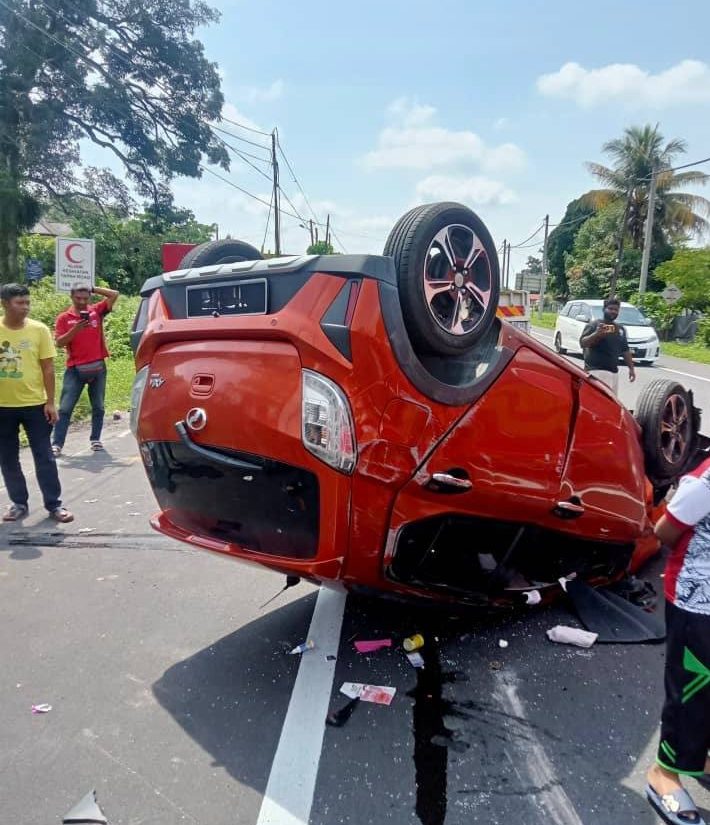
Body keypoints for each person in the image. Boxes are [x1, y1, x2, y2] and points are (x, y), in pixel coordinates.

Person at [645, 459, 710, 825]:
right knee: (691, 690)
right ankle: (664, 775)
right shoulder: (705, 482)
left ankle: (699, 756)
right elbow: (664, 531)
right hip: (695, 601)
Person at [0, 283, 73, 523]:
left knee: (44, 456)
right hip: (3, 407)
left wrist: (51, 402)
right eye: (19, 303)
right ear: (5, 304)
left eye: (27, 302)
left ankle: (54, 505)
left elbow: (48, 368)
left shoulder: (39, 330)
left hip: (35, 404)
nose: (25, 307)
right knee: (8, 457)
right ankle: (18, 503)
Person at [52, 283, 119, 455]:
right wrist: (75, 329)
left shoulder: (96, 311)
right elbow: (59, 343)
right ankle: (57, 444)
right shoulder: (63, 318)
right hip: (75, 369)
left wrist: (92, 288)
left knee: (98, 406)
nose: (82, 301)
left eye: (85, 297)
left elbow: (114, 294)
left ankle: (95, 439)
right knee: (65, 408)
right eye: (78, 298)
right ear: (71, 297)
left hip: (98, 366)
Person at [579, 298, 636, 394]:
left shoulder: (620, 329)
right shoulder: (594, 325)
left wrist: (631, 369)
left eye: (616, 310)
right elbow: (583, 343)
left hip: (614, 373)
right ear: (604, 309)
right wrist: (597, 334)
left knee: (611, 404)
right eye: (610, 308)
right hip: (596, 372)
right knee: (597, 402)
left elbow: (625, 350)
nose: (613, 311)